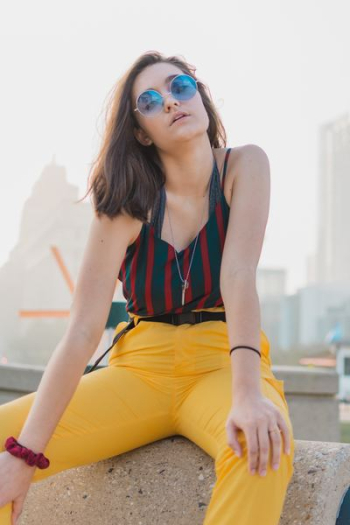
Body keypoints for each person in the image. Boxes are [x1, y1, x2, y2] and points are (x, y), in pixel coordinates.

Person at [0, 50, 295, 525]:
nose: (173, 102)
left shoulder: (246, 166)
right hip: (140, 368)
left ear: (199, 95)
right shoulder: (124, 199)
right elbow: (80, 332)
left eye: (180, 87)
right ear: (140, 130)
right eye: (152, 101)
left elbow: (238, 277)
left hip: (222, 359)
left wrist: (247, 394)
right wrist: (24, 454)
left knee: (262, 446)